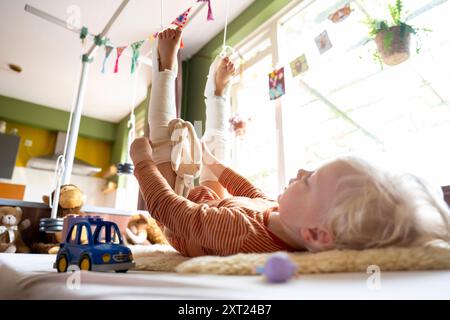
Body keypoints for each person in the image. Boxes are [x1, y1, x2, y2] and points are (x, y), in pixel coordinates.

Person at [130, 27, 450, 257]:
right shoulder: (286, 217)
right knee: (217, 150)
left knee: (163, 139)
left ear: (315, 233)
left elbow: (170, 211)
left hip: (184, 222)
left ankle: (165, 68)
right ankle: (217, 92)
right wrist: (212, 163)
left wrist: (142, 162)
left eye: (309, 181)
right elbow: (251, 192)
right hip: (216, 204)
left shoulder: (243, 235)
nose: (299, 171)